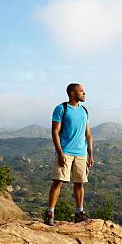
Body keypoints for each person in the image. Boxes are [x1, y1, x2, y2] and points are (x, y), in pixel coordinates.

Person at [44, 83, 94, 226]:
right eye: (81, 91)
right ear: (73, 93)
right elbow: (55, 132)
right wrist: (59, 152)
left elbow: (88, 134)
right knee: (58, 181)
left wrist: (90, 153)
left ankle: (79, 213)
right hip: (65, 151)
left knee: (79, 184)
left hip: (81, 153)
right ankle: (50, 212)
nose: (84, 94)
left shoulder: (84, 110)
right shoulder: (61, 109)